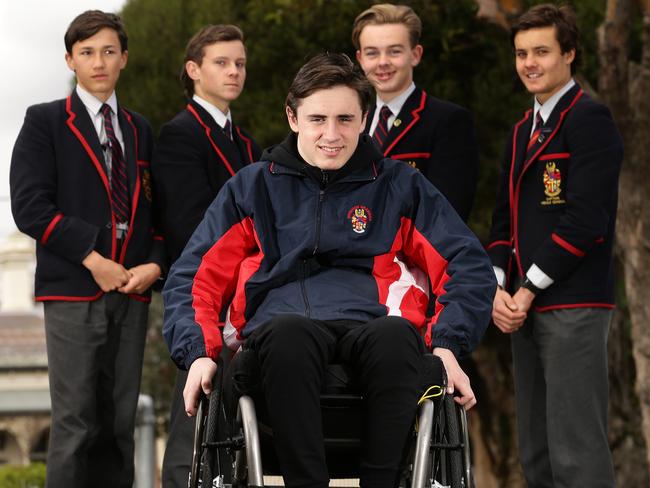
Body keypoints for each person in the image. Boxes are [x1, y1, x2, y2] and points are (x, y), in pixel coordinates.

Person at [163, 52, 495, 488]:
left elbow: (466, 263)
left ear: (364, 119)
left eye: (345, 119)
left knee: (398, 338)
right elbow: (194, 278)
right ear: (293, 117)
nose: (332, 135)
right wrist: (200, 353)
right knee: (288, 334)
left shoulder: (398, 185)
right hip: (282, 331)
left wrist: (448, 343)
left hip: (373, 323)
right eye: (318, 119)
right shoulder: (253, 187)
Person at [9, 10, 164, 488]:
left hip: (132, 292)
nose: (99, 61)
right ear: (70, 59)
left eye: (109, 51)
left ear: (124, 59)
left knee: (119, 425)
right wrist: (93, 259)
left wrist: (154, 264)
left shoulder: (139, 129)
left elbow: (158, 213)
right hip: (75, 288)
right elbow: (29, 207)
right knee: (76, 422)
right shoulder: (45, 121)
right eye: (87, 52)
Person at [487, 4, 622, 487]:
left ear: (569, 53)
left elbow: (587, 221)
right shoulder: (523, 131)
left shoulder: (589, 119)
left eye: (541, 52)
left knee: (576, 452)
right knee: (536, 452)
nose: (529, 63)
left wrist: (525, 289)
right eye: (521, 53)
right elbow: (502, 224)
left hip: (573, 303)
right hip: (521, 308)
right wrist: (498, 289)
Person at [152, 24, 261, 487]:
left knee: (232, 418)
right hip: (203, 294)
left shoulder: (248, 143)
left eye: (239, 62)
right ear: (193, 70)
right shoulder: (180, 136)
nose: (234, 71)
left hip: (244, 297)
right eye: (222, 62)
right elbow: (189, 225)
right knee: (193, 413)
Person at [352, 3, 478, 221]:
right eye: (372, 53)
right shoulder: (352, 123)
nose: (383, 62)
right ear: (360, 59)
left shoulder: (448, 121)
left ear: (415, 54)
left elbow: (449, 213)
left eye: (394, 51)